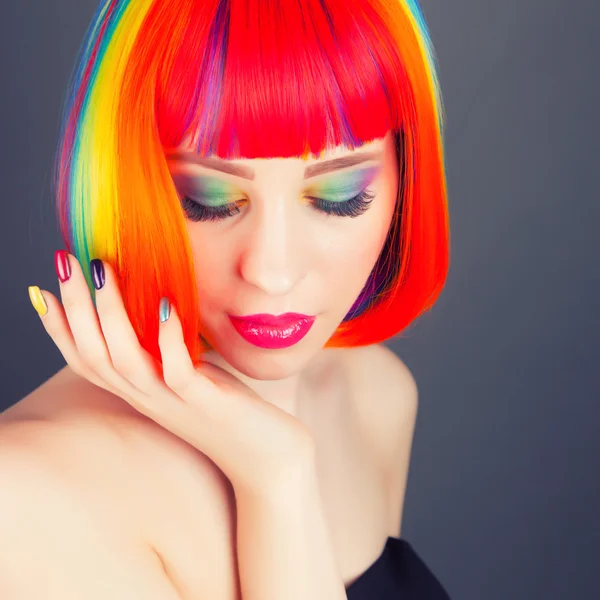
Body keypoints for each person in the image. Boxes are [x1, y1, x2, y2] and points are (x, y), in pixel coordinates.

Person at [0, 0, 451, 598]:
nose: (272, 271)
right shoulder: (26, 495)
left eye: (340, 195)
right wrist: (278, 476)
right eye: (208, 199)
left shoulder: (373, 395)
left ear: (406, 176)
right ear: (128, 179)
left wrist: (274, 472)